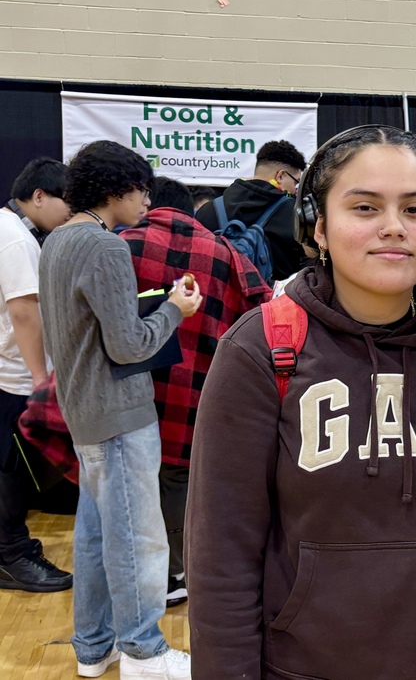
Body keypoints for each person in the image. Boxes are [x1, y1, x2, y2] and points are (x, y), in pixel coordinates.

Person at [185, 126, 416, 680]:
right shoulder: (261, 348)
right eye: (364, 207)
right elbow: (222, 556)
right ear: (319, 226)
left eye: (414, 208)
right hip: (301, 667)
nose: (393, 227)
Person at [38, 141, 202, 680]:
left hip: (84, 410)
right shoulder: (104, 247)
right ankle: (144, 650)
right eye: (140, 190)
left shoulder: (58, 240)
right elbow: (129, 346)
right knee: (137, 537)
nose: (146, 202)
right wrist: (175, 310)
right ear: (116, 190)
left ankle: (95, 647)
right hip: (119, 413)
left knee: (96, 534)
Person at [120, 176, 272, 609]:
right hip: (200, 391)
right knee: (183, 481)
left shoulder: (121, 245)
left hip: (132, 391)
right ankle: (183, 568)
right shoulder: (226, 253)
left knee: (134, 483)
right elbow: (262, 310)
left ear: (150, 203)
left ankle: (149, 579)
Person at [0, 157, 72, 593]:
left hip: (11, 370)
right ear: (39, 196)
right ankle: (12, 556)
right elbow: (25, 312)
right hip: (12, 375)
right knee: (7, 469)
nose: (70, 212)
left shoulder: (15, 232)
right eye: (67, 201)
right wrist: (40, 379)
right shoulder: (14, 238)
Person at [195, 139, 307, 280]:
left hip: (215, 299)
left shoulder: (208, 210)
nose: (295, 190)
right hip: (273, 300)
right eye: (296, 182)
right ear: (280, 176)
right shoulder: (295, 214)